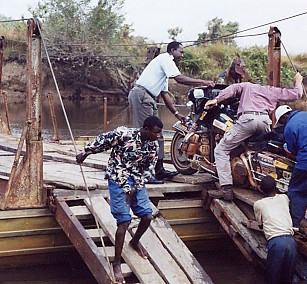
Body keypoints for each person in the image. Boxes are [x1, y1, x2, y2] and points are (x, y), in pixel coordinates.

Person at [76, 116, 163, 283]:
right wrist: (86, 152)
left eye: (159, 133)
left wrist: (134, 189)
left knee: (147, 216)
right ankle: (116, 263)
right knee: (124, 221)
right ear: (145, 130)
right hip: (117, 176)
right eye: (156, 133)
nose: (158, 136)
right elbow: (104, 140)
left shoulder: (153, 145)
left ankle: (135, 242)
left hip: (136, 179)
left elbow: (148, 169)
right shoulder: (124, 134)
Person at [204, 73, 304, 201]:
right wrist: (298, 81)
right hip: (264, 121)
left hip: (248, 119)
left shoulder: (247, 86)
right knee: (264, 152)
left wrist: (217, 99)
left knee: (221, 150)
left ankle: (226, 189)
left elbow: (232, 89)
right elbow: (296, 94)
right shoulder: (272, 91)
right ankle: (265, 183)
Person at [128, 41, 215, 182]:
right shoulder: (165, 59)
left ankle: (159, 170)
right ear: (172, 50)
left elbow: (165, 94)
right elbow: (179, 79)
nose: (182, 55)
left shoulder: (164, 69)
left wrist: (176, 114)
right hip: (141, 95)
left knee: (158, 135)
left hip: (149, 97)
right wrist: (203, 82)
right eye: (180, 52)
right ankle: (144, 173)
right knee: (146, 135)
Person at [243, 176, 297, 284]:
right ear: (276, 186)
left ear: (261, 189)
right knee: (287, 279)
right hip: (291, 242)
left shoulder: (259, 204)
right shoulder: (284, 198)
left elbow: (260, 225)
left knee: (272, 277)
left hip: (276, 243)